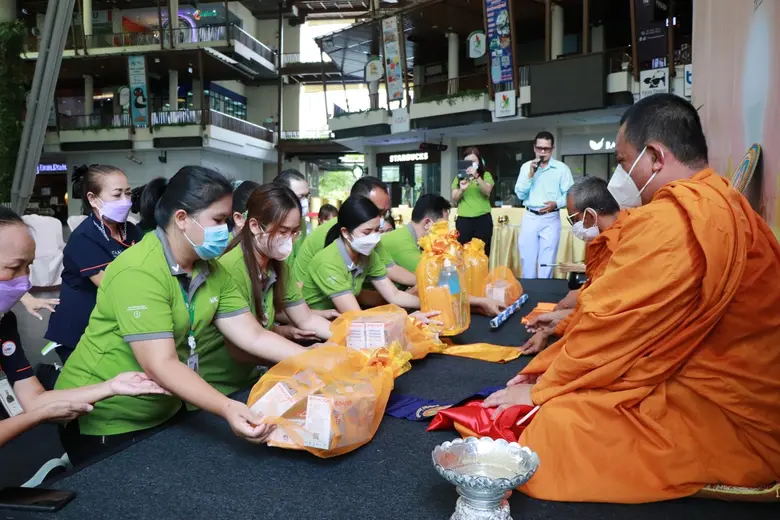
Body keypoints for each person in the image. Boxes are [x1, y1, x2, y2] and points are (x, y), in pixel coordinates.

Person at [484, 93, 780, 502]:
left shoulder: (674, 220)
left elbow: (612, 324)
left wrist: (541, 387)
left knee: (556, 428)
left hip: (731, 412)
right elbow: (627, 315)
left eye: (624, 162)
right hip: (704, 371)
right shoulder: (722, 200)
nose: (620, 176)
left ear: (655, 156)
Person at [55, 166, 310, 465]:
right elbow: (160, 363)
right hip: (108, 416)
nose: (226, 230)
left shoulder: (210, 268)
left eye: (227, 220)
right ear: (181, 219)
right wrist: (227, 407)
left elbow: (252, 334)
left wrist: (318, 360)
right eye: (218, 220)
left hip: (165, 408)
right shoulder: (139, 270)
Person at [0, 207, 167, 448]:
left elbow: (35, 400)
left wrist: (111, 387)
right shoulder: (86, 240)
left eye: (28, 267)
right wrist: (35, 417)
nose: (24, 280)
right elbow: (36, 411)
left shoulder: (5, 324)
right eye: (13, 268)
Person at [196, 184, 333, 397]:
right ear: (254, 225)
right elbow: (240, 349)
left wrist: (348, 341)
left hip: (255, 378)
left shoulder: (277, 265)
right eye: (282, 231)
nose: (289, 239)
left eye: (294, 232)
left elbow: (306, 319)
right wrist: (303, 356)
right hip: (219, 387)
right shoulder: (231, 267)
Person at [45, 165, 142, 363]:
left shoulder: (131, 230)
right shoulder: (84, 237)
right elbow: (112, 286)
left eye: (128, 193)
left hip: (113, 324)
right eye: (117, 195)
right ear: (93, 199)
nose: (125, 201)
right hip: (79, 331)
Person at [520, 176, 622, 355]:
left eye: (574, 219)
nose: (574, 226)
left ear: (590, 215)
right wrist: (557, 321)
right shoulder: (598, 240)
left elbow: (605, 310)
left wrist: (556, 326)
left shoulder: (626, 243)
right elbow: (596, 289)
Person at [299, 196, 426, 314]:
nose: (374, 237)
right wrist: (409, 318)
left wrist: (428, 304)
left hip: (340, 321)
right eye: (367, 232)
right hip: (317, 325)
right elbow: (356, 316)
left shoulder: (367, 255)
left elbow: (394, 294)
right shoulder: (327, 262)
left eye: (377, 230)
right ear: (345, 233)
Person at [293, 177, 417, 288]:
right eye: (377, 211)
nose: (380, 219)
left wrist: (427, 284)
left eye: (385, 213)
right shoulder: (332, 233)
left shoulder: (368, 233)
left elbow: (390, 268)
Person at [514, 131, 574, 278]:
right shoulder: (526, 167)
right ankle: (529, 291)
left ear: (552, 149)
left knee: (547, 259)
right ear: (534, 148)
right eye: (539, 148)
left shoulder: (561, 169)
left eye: (546, 149)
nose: (542, 152)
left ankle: (543, 293)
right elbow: (520, 194)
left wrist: (557, 203)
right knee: (527, 258)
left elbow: (570, 193)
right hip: (530, 216)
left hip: (551, 217)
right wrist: (530, 175)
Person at [451, 147, 495, 253]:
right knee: (463, 251)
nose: (471, 164)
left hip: (482, 219)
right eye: (468, 161)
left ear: (479, 162)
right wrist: (462, 189)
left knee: (482, 252)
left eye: (474, 161)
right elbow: (454, 198)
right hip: (464, 220)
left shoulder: (485, 175)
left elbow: (487, 190)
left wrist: (476, 176)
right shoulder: (459, 178)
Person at [273, 169, 311, 262]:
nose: (306, 202)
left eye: (307, 196)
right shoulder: (270, 227)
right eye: (300, 197)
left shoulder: (303, 224)